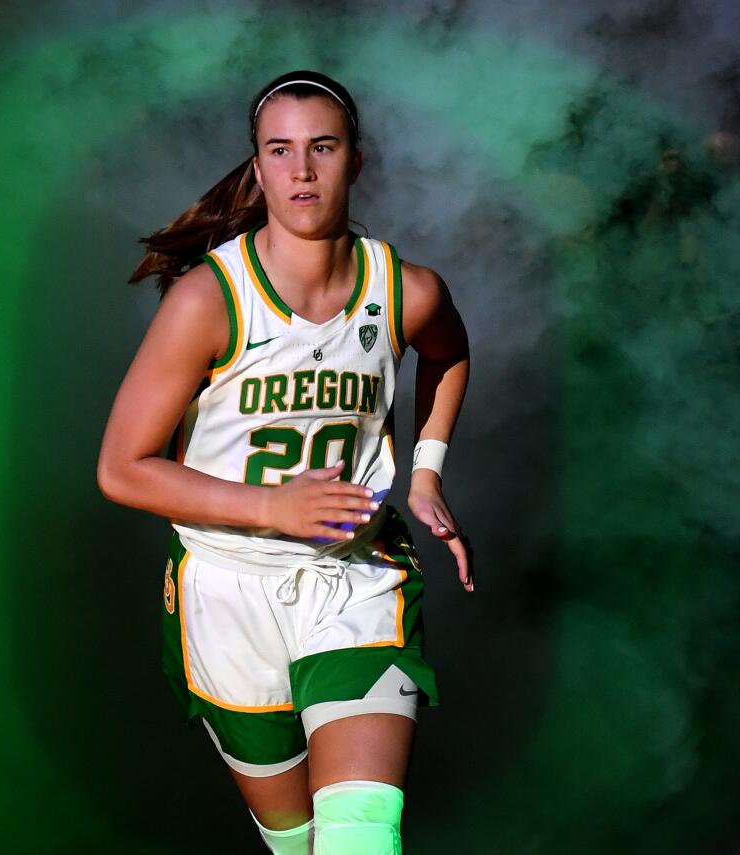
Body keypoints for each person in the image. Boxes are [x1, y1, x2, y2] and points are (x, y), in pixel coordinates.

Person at [97, 70, 472, 854]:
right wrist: (271, 507)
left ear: (355, 162)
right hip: (227, 591)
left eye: (323, 148)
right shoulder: (207, 300)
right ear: (259, 168)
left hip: (354, 578)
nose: (302, 170)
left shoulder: (403, 290)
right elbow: (123, 468)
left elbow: (448, 352)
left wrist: (427, 470)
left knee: (360, 839)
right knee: (296, 841)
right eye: (282, 150)